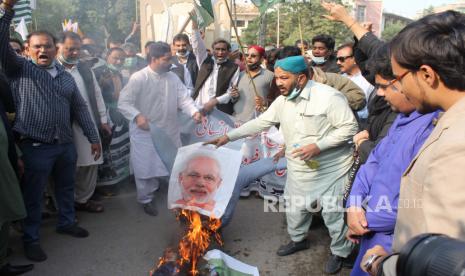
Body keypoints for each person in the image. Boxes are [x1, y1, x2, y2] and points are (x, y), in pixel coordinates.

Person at [206, 56, 358, 274]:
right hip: (299, 168)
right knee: (295, 207)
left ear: (302, 78)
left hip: (331, 169)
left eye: (284, 78)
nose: (278, 82)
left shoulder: (329, 97)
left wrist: (319, 146)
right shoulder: (282, 101)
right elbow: (261, 122)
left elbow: (349, 128)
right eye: (277, 77)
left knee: (333, 215)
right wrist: (228, 137)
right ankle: (298, 240)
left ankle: (341, 253)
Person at [360, 10, 465, 275]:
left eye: (399, 79)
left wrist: (385, 265)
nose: (398, 90)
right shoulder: (445, 120)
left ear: (427, 75)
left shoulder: (457, 144)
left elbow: (447, 258)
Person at [0, 0, 101, 262]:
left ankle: (66, 222)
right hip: (35, 147)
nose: (42, 50)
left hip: (65, 145)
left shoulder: (66, 76)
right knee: (33, 197)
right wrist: (5, 12)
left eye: (47, 46)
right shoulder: (20, 69)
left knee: (66, 188)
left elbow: (79, 109)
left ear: (55, 49)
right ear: (27, 50)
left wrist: (93, 138)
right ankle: (31, 238)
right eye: (37, 46)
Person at [345, 44, 439, 276]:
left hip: (395, 240)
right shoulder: (403, 116)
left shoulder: (433, 128)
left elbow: (418, 205)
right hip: (371, 230)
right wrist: (354, 205)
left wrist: (362, 220)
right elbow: (373, 163)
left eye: (385, 86)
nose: (379, 93)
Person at [118, 42, 201, 216]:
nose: (170, 62)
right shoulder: (139, 78)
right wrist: (137, 116)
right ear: (154, 59)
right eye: (166, 59)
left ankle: (178, 199)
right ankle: (146, 199)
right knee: (146, 168)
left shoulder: (172, 77)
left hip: (169, 129)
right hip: (145, 132)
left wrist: (194, 112)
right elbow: (124, 103)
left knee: (174, 163)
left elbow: (184, 99)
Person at [57, 31, 111, 213]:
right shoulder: (50, 69)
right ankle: (64, 204)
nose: (75, 53)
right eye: (70, 49)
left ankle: (83, 199)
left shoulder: (84, 69)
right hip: (63, 126)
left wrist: (103, 119)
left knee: (90, 163)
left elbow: (96, 94)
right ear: (59, 47)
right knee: (67, 166)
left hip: (88, 124)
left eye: (78, 49)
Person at [0, 70, 34, 275]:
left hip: (5, 164)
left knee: (6, 212)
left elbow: (6, 129)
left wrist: (17, 155)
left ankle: (2, 258)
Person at [190, 12, 240, 115]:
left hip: (219, 110)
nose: (220, 52)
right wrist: (194, 25)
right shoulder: (204, 60)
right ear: (212, 50)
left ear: (228, 51)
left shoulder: (233, 67)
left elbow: (232, 91)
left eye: (223, 49)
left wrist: (215, 101)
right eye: (217, 49)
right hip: (198, 107)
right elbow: (197, 44)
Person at [233, 45, 274, 123]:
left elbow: (275, 100)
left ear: (261, 59)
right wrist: (234, 96)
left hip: (258, 122)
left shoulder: (270, 76)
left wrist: (265, 103)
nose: (249, 58)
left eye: (253, 56)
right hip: (236, 120)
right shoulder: (239, 75)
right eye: (247, 55)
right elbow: (234, 99)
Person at [336, 43, 374, 126]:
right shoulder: (338, 78)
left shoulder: (368, 79)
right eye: (337, 59)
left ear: (354, 59)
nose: (338, 62)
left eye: (341, 59)